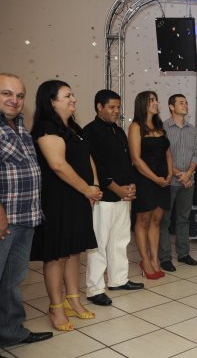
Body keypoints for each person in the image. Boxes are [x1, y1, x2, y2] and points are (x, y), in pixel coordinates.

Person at [30, 80, 101, 331]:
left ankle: (74, 300)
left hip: (78, 196)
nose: (73, 99)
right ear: (51, 101)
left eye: (73, 94)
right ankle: (56, 307)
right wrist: (86, 189)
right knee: (57, 254)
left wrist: (93, 186)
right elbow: (58, 165)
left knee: (74, 250)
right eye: (67, 95)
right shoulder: (46, 127)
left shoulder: (73, 127)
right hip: (57, 199)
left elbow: (87, 157)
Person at [0, 73, 52, 358]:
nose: (14, 100)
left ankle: (12, 332)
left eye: (19, 96)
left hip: (25, 216)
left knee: (12, 280)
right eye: (6, 94)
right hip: (4, 220)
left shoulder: (19, 126)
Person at [83, 90, 143, 306]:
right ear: (99, 107)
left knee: (120, 240)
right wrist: (116, 188)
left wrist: (131, 184)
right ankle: (94, 289)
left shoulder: (118, 131)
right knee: (98, 244)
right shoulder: (90, 131)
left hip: (123, 197)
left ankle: (118, 279)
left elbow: (127, 162)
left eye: (118, 107)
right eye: (111, 107)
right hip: (103, 197)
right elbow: (96, 166)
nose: (116, 111)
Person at [128, 91, 172, 279]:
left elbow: (168, 153)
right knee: (143, 220)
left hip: (163, 180)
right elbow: (136, 159)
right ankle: (144, 260)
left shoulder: (160, 127)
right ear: (143, 104)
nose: (156, 103)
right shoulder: (136, 127)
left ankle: (155, 259)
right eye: (152, 100)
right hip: (145, 179)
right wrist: (155, 178)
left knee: (156, 220)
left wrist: (170, 174)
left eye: (156, 100)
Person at [158, 94, 197, 272]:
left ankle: (183, 254)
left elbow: (196, 153)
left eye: (186, 102)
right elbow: (161, 155)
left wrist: (188, 174)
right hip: (169, 181)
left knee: (183, 219)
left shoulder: (192, 129)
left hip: (188, 182)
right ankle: (165, 257)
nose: (185, 105)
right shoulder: (163, 128)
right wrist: (178, 174)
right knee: (165, 220)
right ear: (171, 107)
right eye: (181, 102)